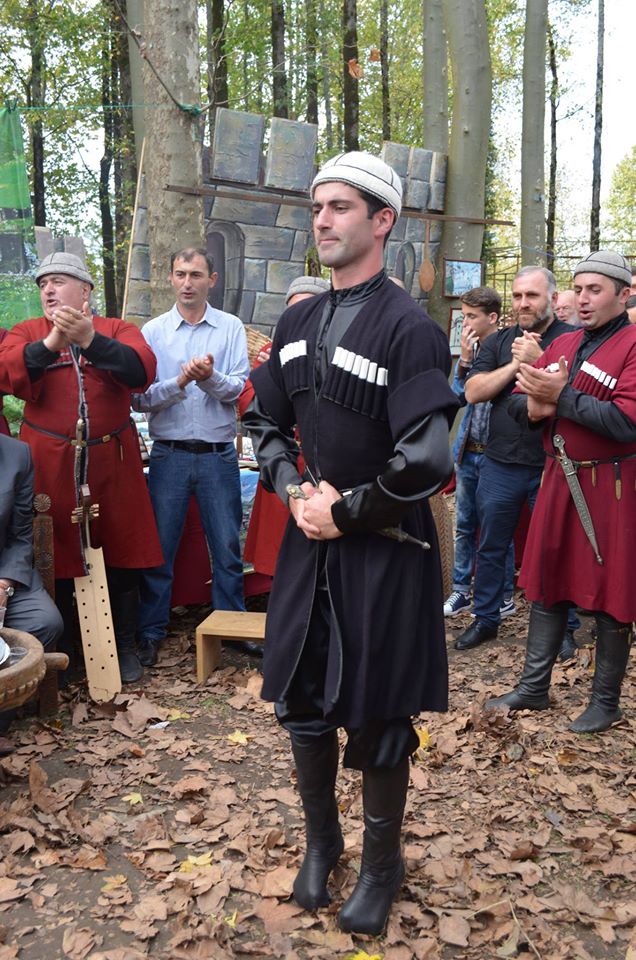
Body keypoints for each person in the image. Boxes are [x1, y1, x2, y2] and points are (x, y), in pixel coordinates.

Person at [243, 151, 458, 936]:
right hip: (311, 541)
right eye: (317, 207)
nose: (323, 220)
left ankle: (381, 865)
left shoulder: (409, 328)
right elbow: (262, 420)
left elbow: (429, 458)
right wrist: (295, 490)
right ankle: (321, 844)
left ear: (382, 221)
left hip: (386, 548)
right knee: (302, 699)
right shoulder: (298, 321)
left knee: (376, 714)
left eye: (340, 207)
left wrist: (351, 510)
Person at [488, 250, 635, 733]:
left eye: (596, 290)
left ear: (624, 294)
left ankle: (605, 700)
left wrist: (558, 398)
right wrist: (536, 408)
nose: (584, 299)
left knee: (613, 592)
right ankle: (534, 688)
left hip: (613, 485)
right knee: (547, 580)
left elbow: (625, 422)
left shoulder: (634, 345)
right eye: (579, 288)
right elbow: (514, 405)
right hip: (559, 477)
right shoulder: (567, 343)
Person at [0, 252, 162, 684]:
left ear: (85, 290)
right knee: (60, 549)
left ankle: (123, 645)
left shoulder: (117, 329)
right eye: (42, 285)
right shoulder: (26, 332)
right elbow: (7, 372)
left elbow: (140, 368)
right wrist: (51, 344)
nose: (48, 290)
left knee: (123, 549)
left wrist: (91, 339)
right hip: (50, 461)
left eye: (58, 281)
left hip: (113, 458)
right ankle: (70, 647)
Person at [132, 248, 250, 667]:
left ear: (211, 280)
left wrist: (210, 378)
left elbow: (238, 389)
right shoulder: (153, 332)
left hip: (219, 456)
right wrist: (181, 381)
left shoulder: (231, 327)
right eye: (180, 274)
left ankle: (233, 629)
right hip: (170, 456)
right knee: (160, 548)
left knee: (227, 547)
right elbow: (141, 399)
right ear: (170, 279)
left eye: (196, 274)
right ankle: (150, 631)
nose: (187, 282)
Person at [454, 266, 576, 652]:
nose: (524, 303)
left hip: (553, 462)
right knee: (490, 543)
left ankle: (568, 628)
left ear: (553, 300)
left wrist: (540, 359)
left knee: (557, 546)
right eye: (518, 295)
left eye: (533, 296)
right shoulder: (500, 341)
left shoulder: (572, 339)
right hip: (501, 462)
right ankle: (486, 618)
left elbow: (576, 394)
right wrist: (515, 365)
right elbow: (474, 390)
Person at [240, 275, 330, 578]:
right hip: (285, 472)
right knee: (281, 562)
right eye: (293, 311)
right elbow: (252, 411)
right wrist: (267, 372)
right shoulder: (269, 361)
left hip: (327, 476)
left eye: (309, 309)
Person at [443, 286, 516, 619]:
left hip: (497, 455)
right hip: (467, 453)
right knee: (464, 525)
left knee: (496, 528)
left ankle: (503, 594)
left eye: (472, 316)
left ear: (492, 317)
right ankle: (461, 591)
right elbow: (458, 398)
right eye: (464, 315)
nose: (466, 322)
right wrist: (465, 363)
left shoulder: (509, 349)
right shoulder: (471, 351)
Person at [0, 434, 64, 752]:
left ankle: (1, 721)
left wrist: (4, 583)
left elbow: (21, 533)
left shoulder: (16, 454)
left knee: (44, 621)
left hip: (4, 571)